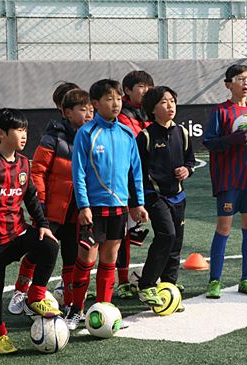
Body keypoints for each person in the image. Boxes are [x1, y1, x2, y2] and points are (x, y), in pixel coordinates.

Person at [0, 108, 61, 354]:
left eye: (25, 130)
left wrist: (42, 223)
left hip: (19, 231)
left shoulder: (23, 162)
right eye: (19, 130)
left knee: (49, 245)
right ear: (1, 133)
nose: (24, 135)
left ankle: (35, 297)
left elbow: (31, 196)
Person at [67, 79, 148, 330]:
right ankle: (75, 310)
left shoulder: (126, 133)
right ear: (95, 103)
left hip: (119, 209)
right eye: (109, 99)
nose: (115, 103)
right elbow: (78, 173)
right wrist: (84, 206)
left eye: (118, 99)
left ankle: (104, 311)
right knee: (86, 259)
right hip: (93, 208)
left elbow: (135, 172)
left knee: (109, 260)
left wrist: (139, 204)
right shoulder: (87, 133)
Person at [7, 90, 94, 316]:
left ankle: (68, 300)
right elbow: (37, 173)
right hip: (51, 211)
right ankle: (20, 291)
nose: (88, 114)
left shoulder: (93, 138)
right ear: (67, 112)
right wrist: (42, 206)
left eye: (91, 110)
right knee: (39, 252)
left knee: (71, 256)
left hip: (78, 211)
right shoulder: (53, 137)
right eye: (82, 109)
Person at [202, 64, 247, 299]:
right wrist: (232, 139)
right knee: (224, 227)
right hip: (228, 179)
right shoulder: (221, 112)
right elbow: (209, 142)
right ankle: (214, 281)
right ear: (228, 84)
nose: (245, 83)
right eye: (240, 78)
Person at [136, 86, 195, 308]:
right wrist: (138, 201)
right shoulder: (146, 136)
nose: (170, 106)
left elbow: (190, 160)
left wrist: (187, 170)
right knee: (166, 235)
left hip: (178, 196)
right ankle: (147, 284)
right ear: (152, 109)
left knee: (176, 241)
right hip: (155, 196)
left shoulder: (182, 132)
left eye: (172, 101)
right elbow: (137, 171)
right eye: (164, 102)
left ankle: (169, 286)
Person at [115, 70, 155, 299]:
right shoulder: (123, 116)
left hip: (152, 183)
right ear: (127, 91)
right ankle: (122, 281)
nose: (146, 90)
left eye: (149, 86)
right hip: (128, 184)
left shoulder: (152, 111)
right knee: (121, 236)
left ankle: (156, 277)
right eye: (141, 86)